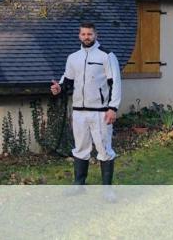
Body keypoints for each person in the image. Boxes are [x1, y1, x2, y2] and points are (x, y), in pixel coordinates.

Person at [50, 22, 121, 185]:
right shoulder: (73, 57)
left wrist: (113, 108)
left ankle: (107, 190)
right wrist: (58, 88)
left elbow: (115, 83)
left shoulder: (106, 56)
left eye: (89, 34)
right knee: (81, 148)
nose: (86, 37)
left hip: (101, 112)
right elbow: (67, 80)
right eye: (83, 34)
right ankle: (79, 185)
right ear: (79, 35)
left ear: (96, 35)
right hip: (79, 112)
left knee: (104, 149)